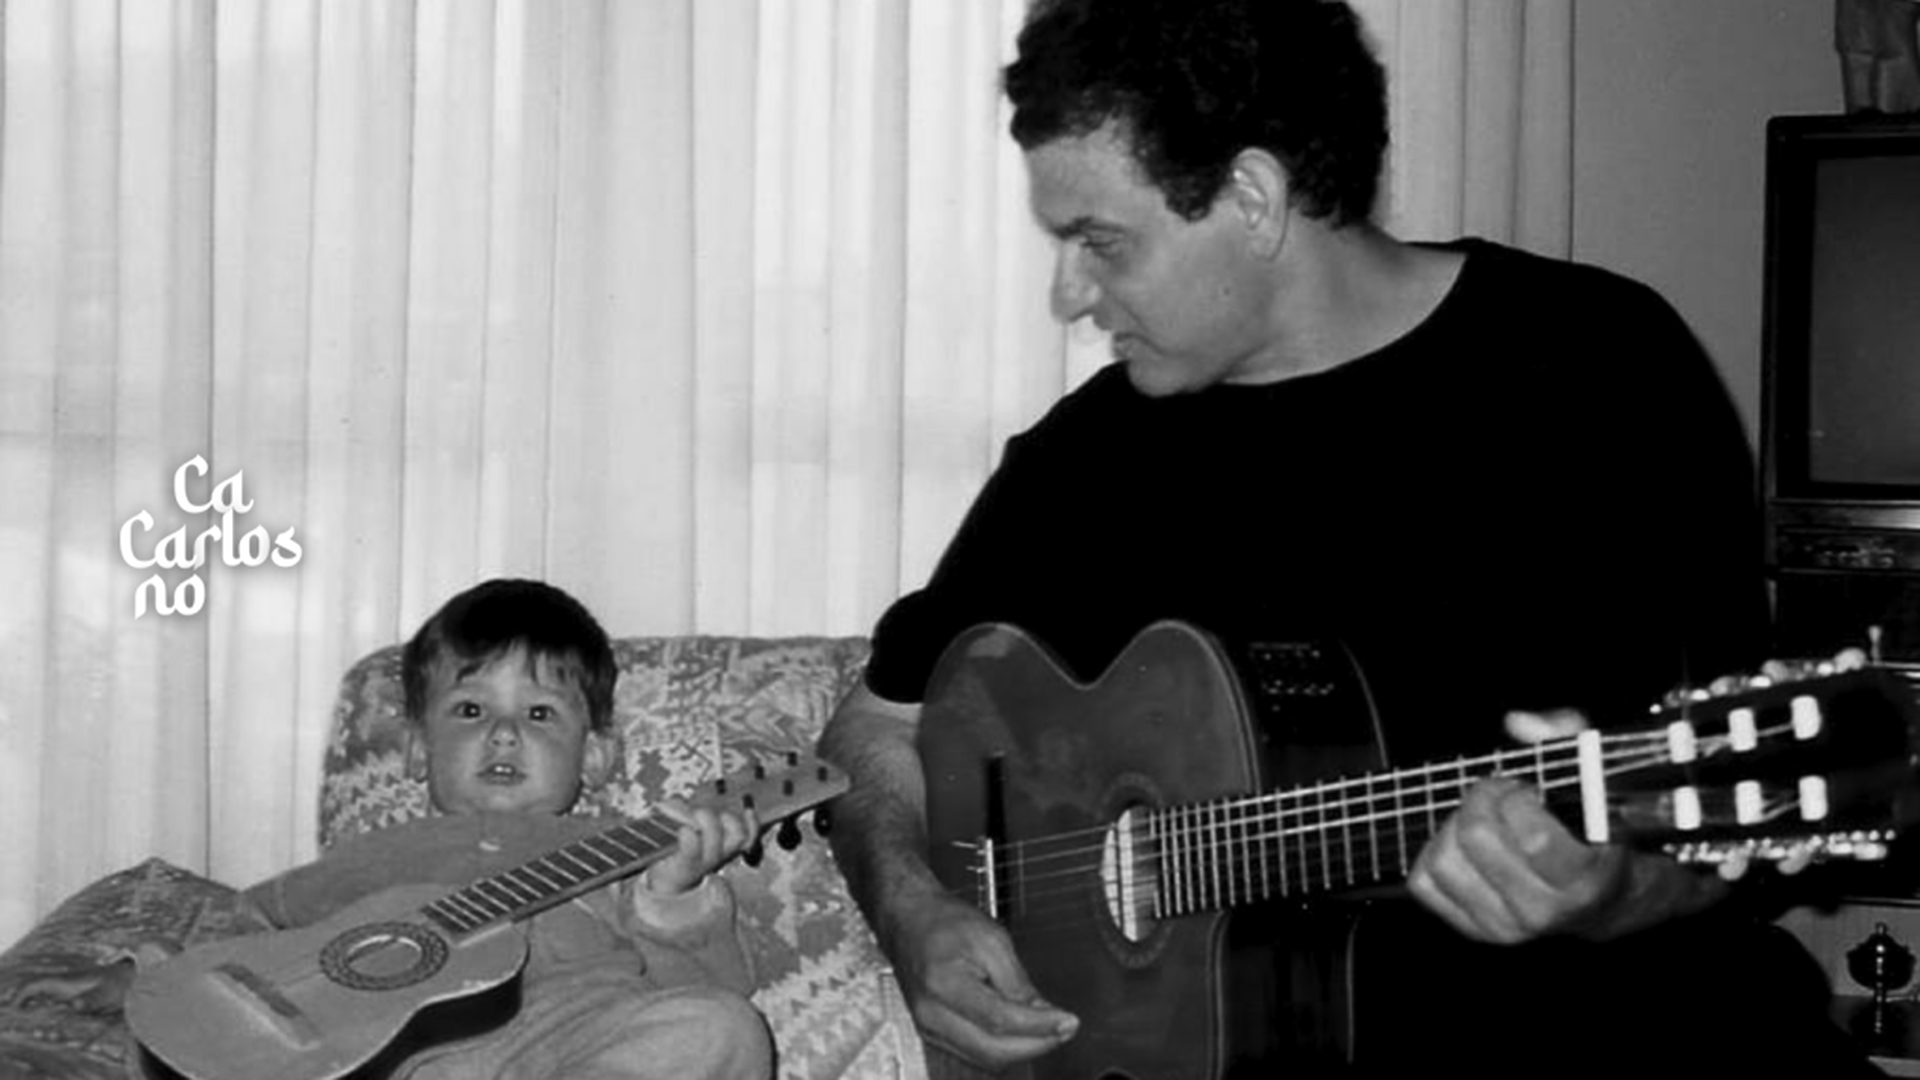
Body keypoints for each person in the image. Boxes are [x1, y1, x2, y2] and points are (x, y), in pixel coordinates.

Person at [817, 1, 1877, 1076]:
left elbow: (1741, 820)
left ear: (1252, 198)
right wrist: (913, 915)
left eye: (1102, 242)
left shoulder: (1599, 369)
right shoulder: (1086, 459)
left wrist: (1608, 891)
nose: (1070, 295)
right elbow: (873, 729)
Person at [242, 578, 772, 1080]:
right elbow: (234, 921)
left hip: (572, 1035)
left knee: (722, 1027)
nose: (503, 733)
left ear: (593, 757)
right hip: (400, 1057)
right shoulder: (374, 854)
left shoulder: (621, 849)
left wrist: (674, 896)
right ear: (419, 749)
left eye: (539, 714)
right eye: (471, 709)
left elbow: (707, 986)